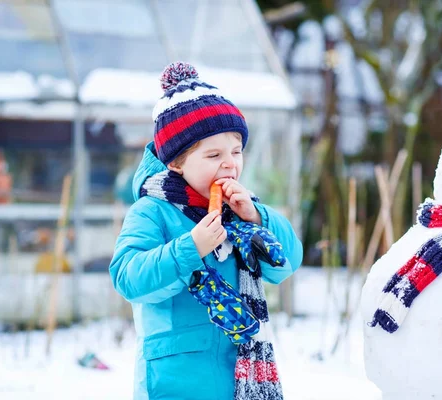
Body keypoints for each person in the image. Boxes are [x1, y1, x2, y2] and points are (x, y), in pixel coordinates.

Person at [109, 61, 303, 400]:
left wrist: (258, 219)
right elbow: (128, 278)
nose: (229, 163)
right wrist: (191, 246)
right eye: (213, 154)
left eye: (236, 151)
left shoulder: (241, 209)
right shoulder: (152, 210)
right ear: (176, 162)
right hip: (174, 381)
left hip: (242, 376)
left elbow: (286, 263)